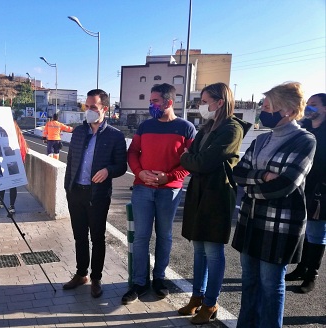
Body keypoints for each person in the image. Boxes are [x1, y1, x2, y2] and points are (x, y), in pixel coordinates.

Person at [231, 82, 316, 328]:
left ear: (287, 110)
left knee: (271, 284)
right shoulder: (261, 139)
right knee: (249, 281)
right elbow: (238, 173)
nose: (262, 110)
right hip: (250, 219)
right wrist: (262, 176)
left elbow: (284, 186)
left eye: (268, 106)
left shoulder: (304, 141)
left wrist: (251, 184)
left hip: (280, 225)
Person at [178, 83, 251, 324]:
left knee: (213, 250)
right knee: (198, 248)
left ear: (220, 102)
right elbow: (194, 156)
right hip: (199, 191)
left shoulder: (232, 129)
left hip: (217, 194)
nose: (202, 106)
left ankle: (210, 302)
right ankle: (197, 297)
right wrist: (191, 159)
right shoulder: (209, 126)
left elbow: (201, 161)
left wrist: (188, 159)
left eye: (206, 101)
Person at [122, 83, 196, 304]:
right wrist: (139, 172)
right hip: (142, 188)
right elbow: (133, 151)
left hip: (169, 192)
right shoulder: (144, 127)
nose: (151, 105)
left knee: (164, 235)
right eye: (151, 101)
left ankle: (159, 279)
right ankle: (139, 282)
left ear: (169, 102)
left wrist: (168, 178)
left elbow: (190, 162)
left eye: (154, 101)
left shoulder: (186, 128)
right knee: (141, 236)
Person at [63, 89, 127, 298]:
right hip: (76, 193)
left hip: (97, 196)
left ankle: (96, 278)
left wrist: (108, 170)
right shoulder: (79, 132)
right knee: (79, 236)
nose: (88, 111)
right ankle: (81, 273)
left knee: (97, 238)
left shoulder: (115, 136)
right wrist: (68, 189)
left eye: (93, 107)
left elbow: (121, 166)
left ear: (104, 109)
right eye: (86, 107)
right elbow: (70, 161)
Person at [285, 93, 326, 293]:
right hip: (303, 187)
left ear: (325, 109)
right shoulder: (305, 130)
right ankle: (301, 268)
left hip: (321, 191)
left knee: (317, 234)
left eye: (314, 105)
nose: (309, 108)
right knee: (304, 231)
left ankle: (311, 275)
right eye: (308, 104)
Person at [0, 121, 28, 213]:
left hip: (7, 161)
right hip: (16, 162)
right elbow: (24, 150)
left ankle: (1, 202)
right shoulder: (19, 136)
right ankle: (11, 206)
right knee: (13, 185)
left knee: (3, 182)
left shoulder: (8, 135)